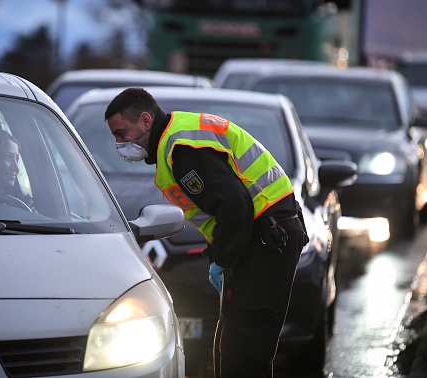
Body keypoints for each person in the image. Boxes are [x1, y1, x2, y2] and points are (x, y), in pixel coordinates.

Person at [104, 87, 308, 378]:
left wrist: (222, 259)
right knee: (235, 344)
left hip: (268, 237)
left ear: (146, 121)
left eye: (121, 133)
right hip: (263, 235)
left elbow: (235, 208)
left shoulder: (181, 148)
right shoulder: (177, 139)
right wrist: (219, 254)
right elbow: (224, 210)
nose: (119, 143)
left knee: (246, 350)